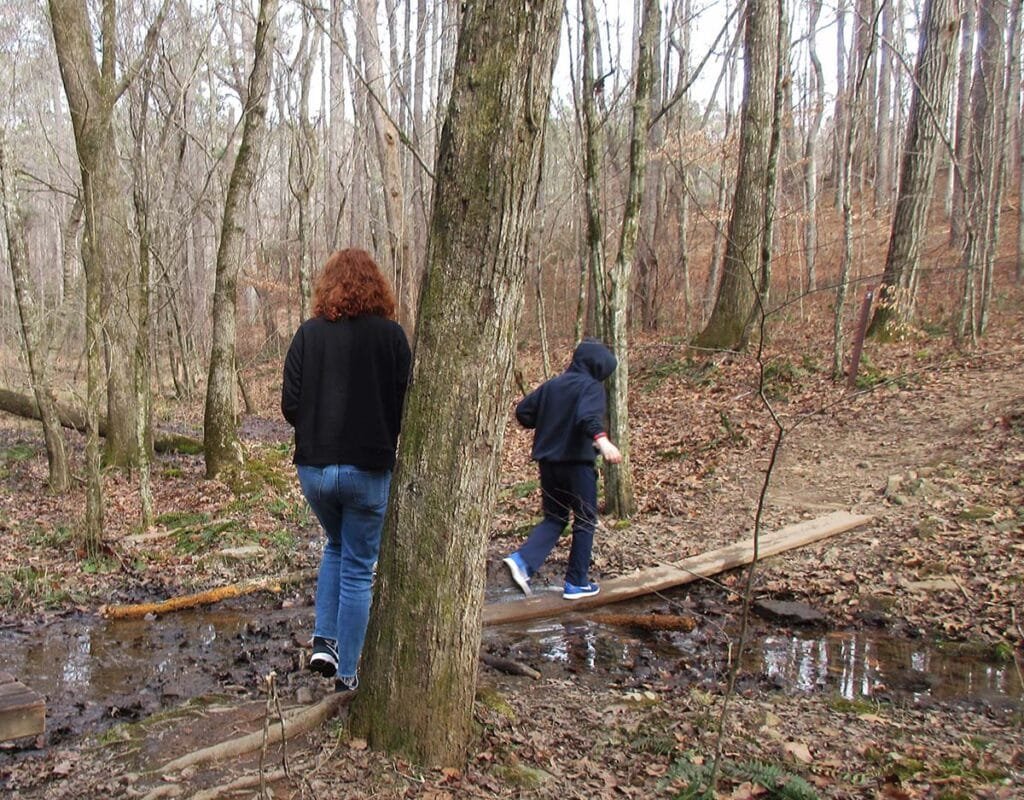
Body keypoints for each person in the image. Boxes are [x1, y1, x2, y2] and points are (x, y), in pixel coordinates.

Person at [281, 248, 411, 692]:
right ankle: (348, 674)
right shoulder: (392, 338)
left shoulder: (308, 335)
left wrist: (318, 430)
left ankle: (325, 641)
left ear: (328, 287)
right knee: (357, 565)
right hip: (368, 470)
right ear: (377, 287)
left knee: (337, 545)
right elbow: (406, 403)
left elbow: (290, 405)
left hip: (315, 472)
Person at [503, 339, 622, 600]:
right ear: (598, 368)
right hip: (577, 466)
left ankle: (522, 561)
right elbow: (587, 417)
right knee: (585, 519)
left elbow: (524, 412)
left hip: (548, 465)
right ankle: (576, 582)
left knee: (555, 518)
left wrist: (550, 419)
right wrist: (603, 441)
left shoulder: (553, 385)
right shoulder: (591, 387)